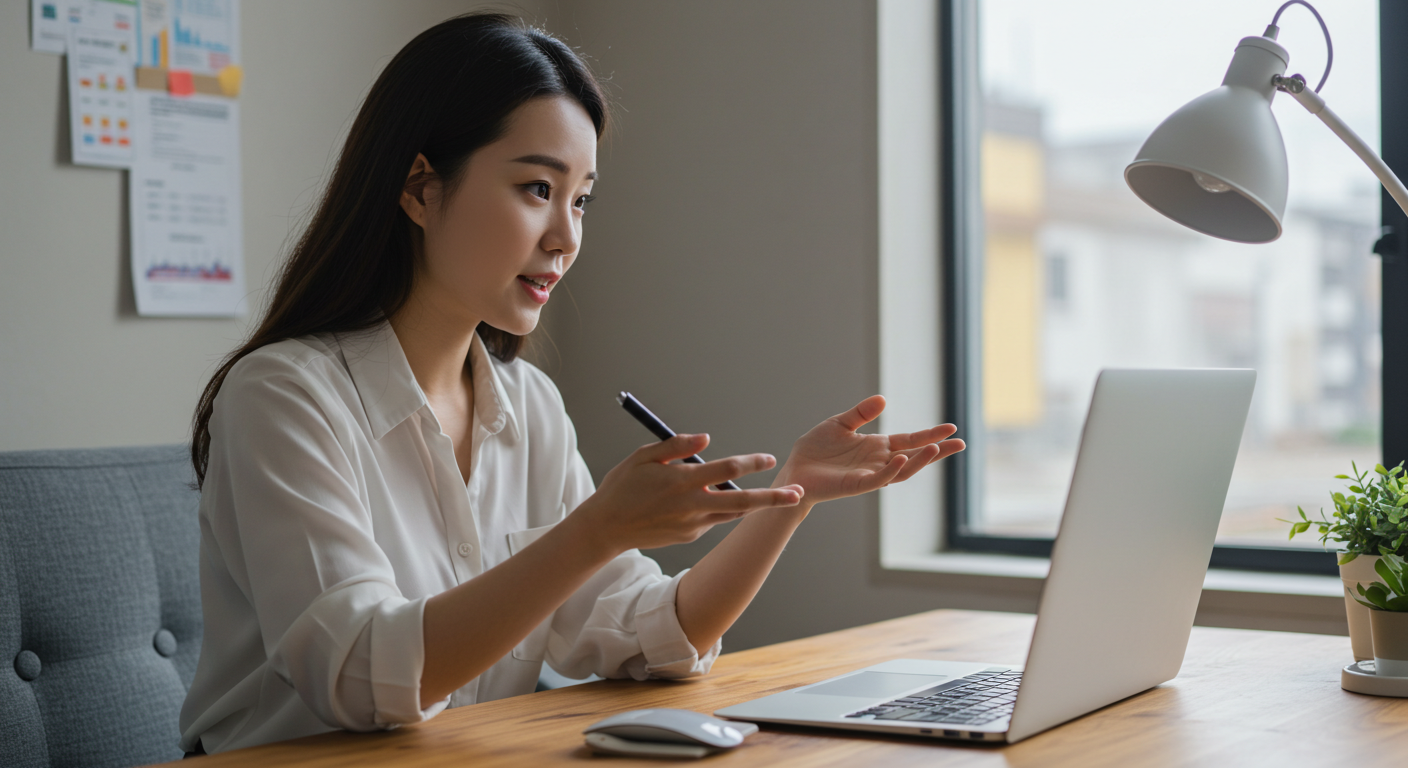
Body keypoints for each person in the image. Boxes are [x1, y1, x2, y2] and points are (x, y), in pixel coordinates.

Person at [177, 12, 965, 755]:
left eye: (581, 200)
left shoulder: (529, 407)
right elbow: (359, 678)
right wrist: (595, 531)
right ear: (420, 188)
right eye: (536, 189)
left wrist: (792, 498)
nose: (566, 237)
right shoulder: (283, 398)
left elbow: (650, 631)